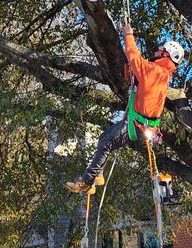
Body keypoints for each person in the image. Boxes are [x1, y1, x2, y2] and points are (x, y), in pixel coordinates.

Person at [66, 24, 185, 193]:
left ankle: (86, 182)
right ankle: (97, 176)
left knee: (106, 143)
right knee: (104, 138)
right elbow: (139, 81)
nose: (156, 52)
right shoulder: (161, 74)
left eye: (160, 51)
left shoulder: (155, 71)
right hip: (141, 123)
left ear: (166, 54)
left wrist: (128, 35)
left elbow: (134, 57)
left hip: (138, 125)